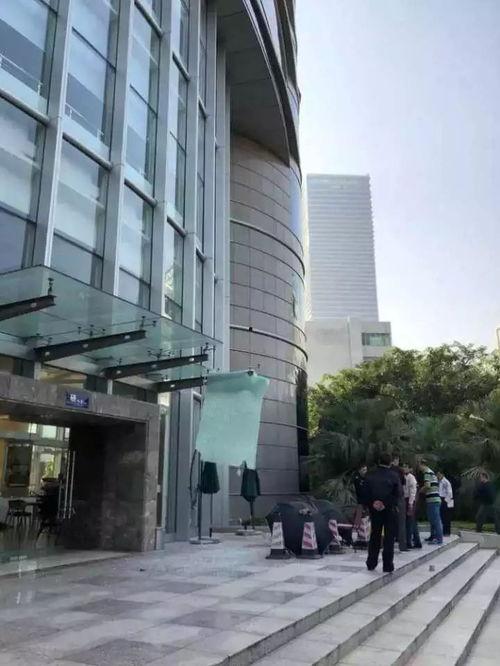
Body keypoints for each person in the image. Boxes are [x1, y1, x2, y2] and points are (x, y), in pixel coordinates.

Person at [364, 452, 401, 573]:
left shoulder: (370, 475)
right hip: (389, 509)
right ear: (390, 462)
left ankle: (371, 562)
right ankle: (387, 564)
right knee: (389, 537)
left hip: (374, 509)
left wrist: (373, 503)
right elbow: (397, 494)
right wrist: (385, 503)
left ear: (379, 461)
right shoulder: (394, 476)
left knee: (375, 535)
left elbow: (365, 492)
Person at [418, 458, 443, 545]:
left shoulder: (427, 473)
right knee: (432, 520)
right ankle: (433, 536)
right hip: (434, 499)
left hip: (433, 500)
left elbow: (427, 485)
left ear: (422, 465)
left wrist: (420, 490)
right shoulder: (431, 472)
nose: (419, 468)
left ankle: (439, 539)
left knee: (436, 520)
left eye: (419, 465)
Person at [402, 462, 421, 548]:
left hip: (410, 500)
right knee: (409, 522)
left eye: (406, 467)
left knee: (410, 522)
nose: (404, 468)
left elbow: (413, 491)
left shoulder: (411, 477)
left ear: (409, 468)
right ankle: (412, 541)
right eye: (403, 467)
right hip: (405, 499)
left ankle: (411, 541)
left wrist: (410, 503)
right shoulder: (403, 477)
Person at [391, 453, 407, 552]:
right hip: (399, 497)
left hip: (389, 497)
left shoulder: (388, 470)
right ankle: (402, 545)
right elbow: (403, 484)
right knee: (401, 522)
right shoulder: (400, 471)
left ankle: (388, 542)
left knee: (389, 521)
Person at [437, 471, 454, 537]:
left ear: (442, 474)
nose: (438, 476)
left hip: (447, 499)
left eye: (439, 475)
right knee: (442, 516)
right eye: (437, 475)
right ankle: (443, 531)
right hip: (442, 498)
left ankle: (447, 532)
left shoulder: (446, 482)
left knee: (447, 517)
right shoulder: (439, 482)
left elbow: (450, 493)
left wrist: (445, 501)